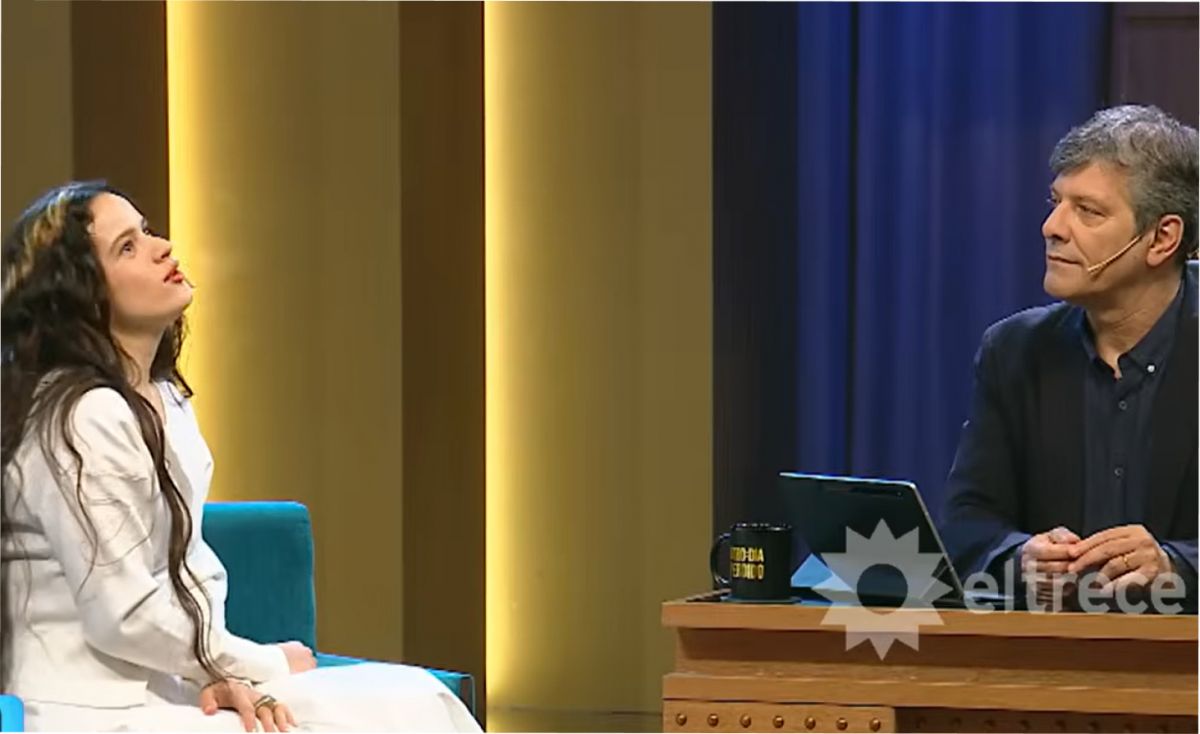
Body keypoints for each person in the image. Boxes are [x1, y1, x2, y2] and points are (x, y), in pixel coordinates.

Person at [0, 182, 482, 731]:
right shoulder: (81, 417)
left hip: (171, 686)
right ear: (81, 297)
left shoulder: (165, 398)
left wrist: (219, 672)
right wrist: (259, 663)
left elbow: (190, 570)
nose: (162, 248)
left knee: (414, 699)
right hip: (90, 709)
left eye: (147, 231)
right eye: (127, 247)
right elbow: (124, 615)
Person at [941, 105, 1197, 613]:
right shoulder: (1014, 352)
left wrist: (1176, 567)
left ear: (1162, 238)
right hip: (1051, 653)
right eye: (1056, 202)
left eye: (1088, 211)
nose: (1052, 227)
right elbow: (968, 524)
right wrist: (1020, 559)